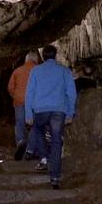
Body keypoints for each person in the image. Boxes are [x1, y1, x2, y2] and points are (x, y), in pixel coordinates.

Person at [25, 45, 77, 189]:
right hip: (58, 110)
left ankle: (45, 157)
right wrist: (70, 113)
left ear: (43, 56)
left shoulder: (36, 71)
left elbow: (29, 93)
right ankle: (55, 177)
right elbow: (71, 93)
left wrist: (28, 114)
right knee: (56, 141)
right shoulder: (64, 71)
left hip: (40, 109)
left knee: (37, 131)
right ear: (55, 55)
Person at [8, 50, 41, 160]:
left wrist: (15, 95)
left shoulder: (18, 70)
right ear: (36, 60)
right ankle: (30, 149)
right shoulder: (39, 70)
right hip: (34, 102)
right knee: (33, 125)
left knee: (19, 123)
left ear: (26, 59)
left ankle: (20, 141)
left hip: (19, 100)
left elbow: (10, 87)